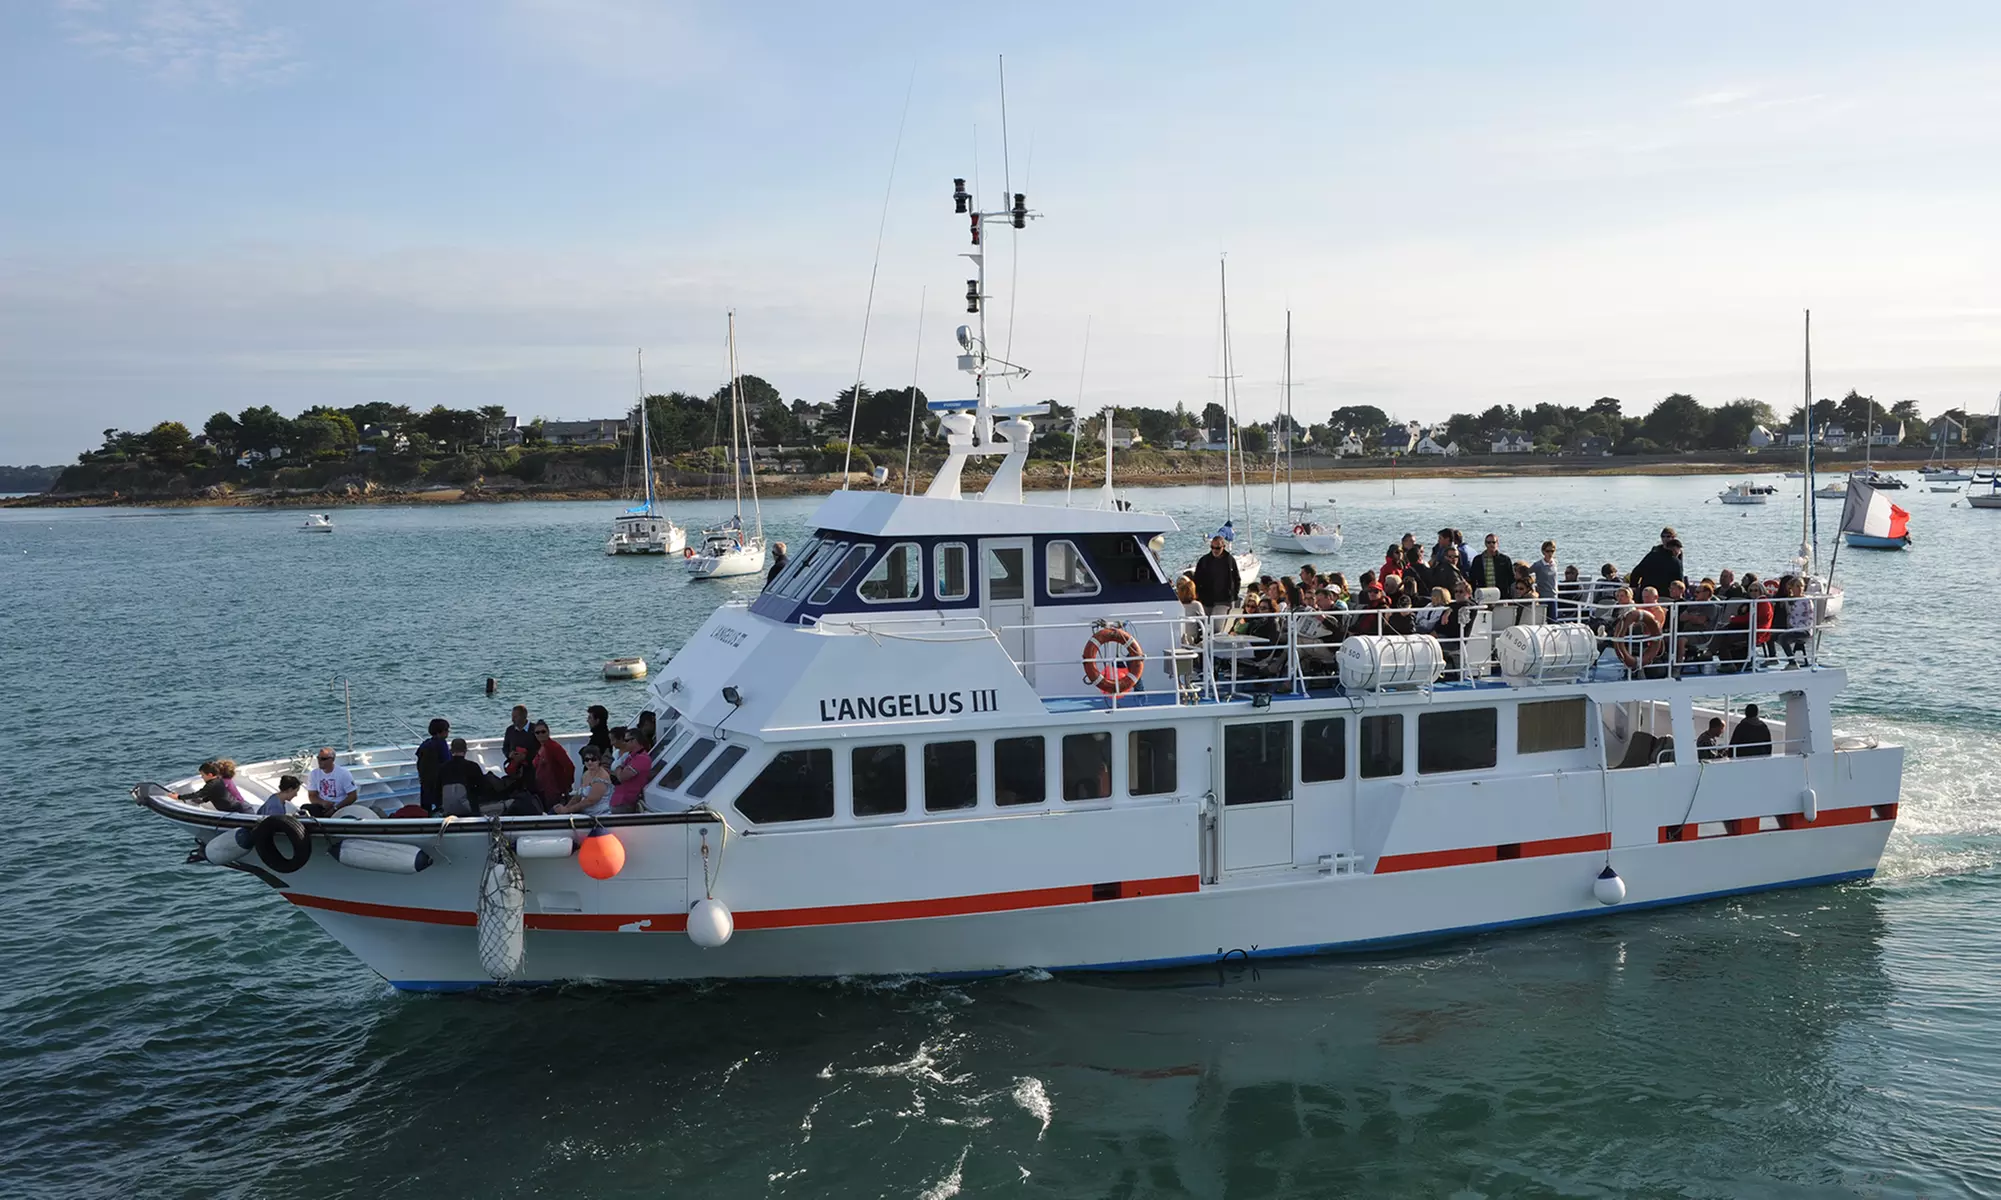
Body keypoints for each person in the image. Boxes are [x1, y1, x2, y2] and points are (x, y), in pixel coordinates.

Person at [1192, 534, 1241, 630]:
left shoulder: (1230, 560)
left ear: (1223, 547)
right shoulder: (1204, 560)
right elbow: (1197, 579)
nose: (1214, 550)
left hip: (1224, 600)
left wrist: (1234, 594)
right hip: (1207, 599)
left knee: (1217, 628)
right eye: (1212, 547)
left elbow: (1236, 578)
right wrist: (1198, 595)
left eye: (1217, 548)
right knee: (1205, 627)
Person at [553, 748, 615, 815]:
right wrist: (564, 808)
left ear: (599, 760)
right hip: (586, 815)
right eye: (587, 760)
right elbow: (578, 796)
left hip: (601, 816)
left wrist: (568, 810)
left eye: (593, 759)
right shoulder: (585, 774)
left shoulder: (602, 776)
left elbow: (590, 801)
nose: (590, 762)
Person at [174, 761, 250, 813]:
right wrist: (203, 800)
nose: (201, 777)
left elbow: (198, 794)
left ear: (210, 775)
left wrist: (179, 797)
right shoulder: (218, 780)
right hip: (239, 807)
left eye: (203, 775)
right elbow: (215, 794)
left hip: (238, 809)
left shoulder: (211, 785)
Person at [607, 727, 652, 813]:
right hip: (618, 799)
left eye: (626, 740)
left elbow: (622, 777)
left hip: (625, 802)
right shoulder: (631, 756)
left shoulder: (642, 759)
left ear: (634, 741)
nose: (624, 743)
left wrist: (617, 766)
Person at [531, 721, 575, 802]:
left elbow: (569, 766)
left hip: (554, 791)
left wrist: (567, 785)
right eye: (537, 732)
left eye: (543, 731)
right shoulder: (541, 748)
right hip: (543, 790)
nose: (540, 734)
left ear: (548, 732)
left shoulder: (554, 747)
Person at [415, 717, 452, 813]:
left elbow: (419, 758)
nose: (448, 732)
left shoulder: (426, 743)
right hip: (438, 781)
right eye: (447, 730)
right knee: (441, 803)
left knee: (425, 805)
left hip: (426, 780)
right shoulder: (441, 744)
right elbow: (447, 761)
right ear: (441, 732)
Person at [307, 748, 360, 813]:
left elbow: (353, 796)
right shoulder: (314, 774)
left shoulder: (343, 773)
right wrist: (323, 803)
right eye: (318, 758)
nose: (319, 761)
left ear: (332, 759)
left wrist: (335, 808)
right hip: (322, 806)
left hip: (340, 807)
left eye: (323, 759)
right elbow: (312, 795)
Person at [1533, 541, 1559, 622]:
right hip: (1543, 596)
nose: (1550, 553)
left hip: (1553, 595)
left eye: (1552, 551)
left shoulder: (1555, 563)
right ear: (1543, 551)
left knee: (1553, 620)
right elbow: (1527, 572)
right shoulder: (1538, 564)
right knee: (1541, 620)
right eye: (1548, 551)